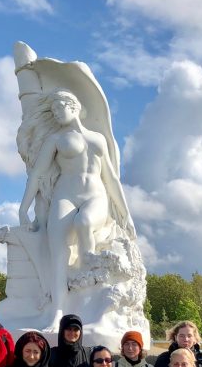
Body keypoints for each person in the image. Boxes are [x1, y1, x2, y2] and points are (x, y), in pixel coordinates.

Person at [18, 89, 136, 329]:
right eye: (53, 110)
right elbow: (37, 174)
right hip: (65, 195)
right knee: (58, 252)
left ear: (74, 107)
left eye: (60, 107)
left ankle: (89, 285)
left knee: (84, 223)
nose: (56, 113)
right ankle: (57, 312)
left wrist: (126, 214)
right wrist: (24, 209)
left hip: (95, 195)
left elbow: (111, 178)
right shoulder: (55, 139)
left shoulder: (98, 139)